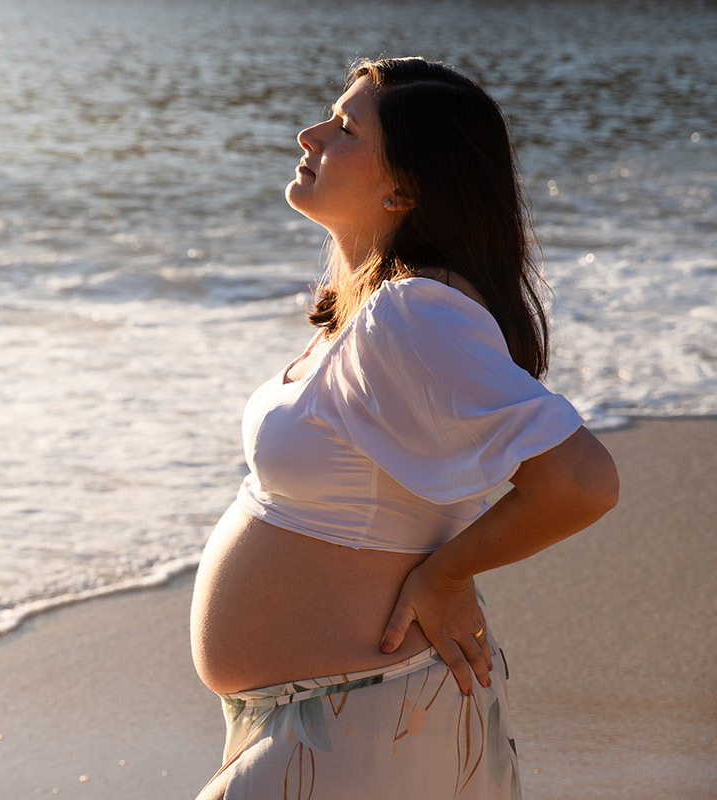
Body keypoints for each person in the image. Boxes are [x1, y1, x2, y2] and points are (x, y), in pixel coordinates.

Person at [189, 57, 619, 799]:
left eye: (347, 127)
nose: (310, 133)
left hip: (365, 717)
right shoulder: (383, 309)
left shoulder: (414, 310)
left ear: (406, 187)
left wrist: (446, 572)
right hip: (338, 717)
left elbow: (582, 482)